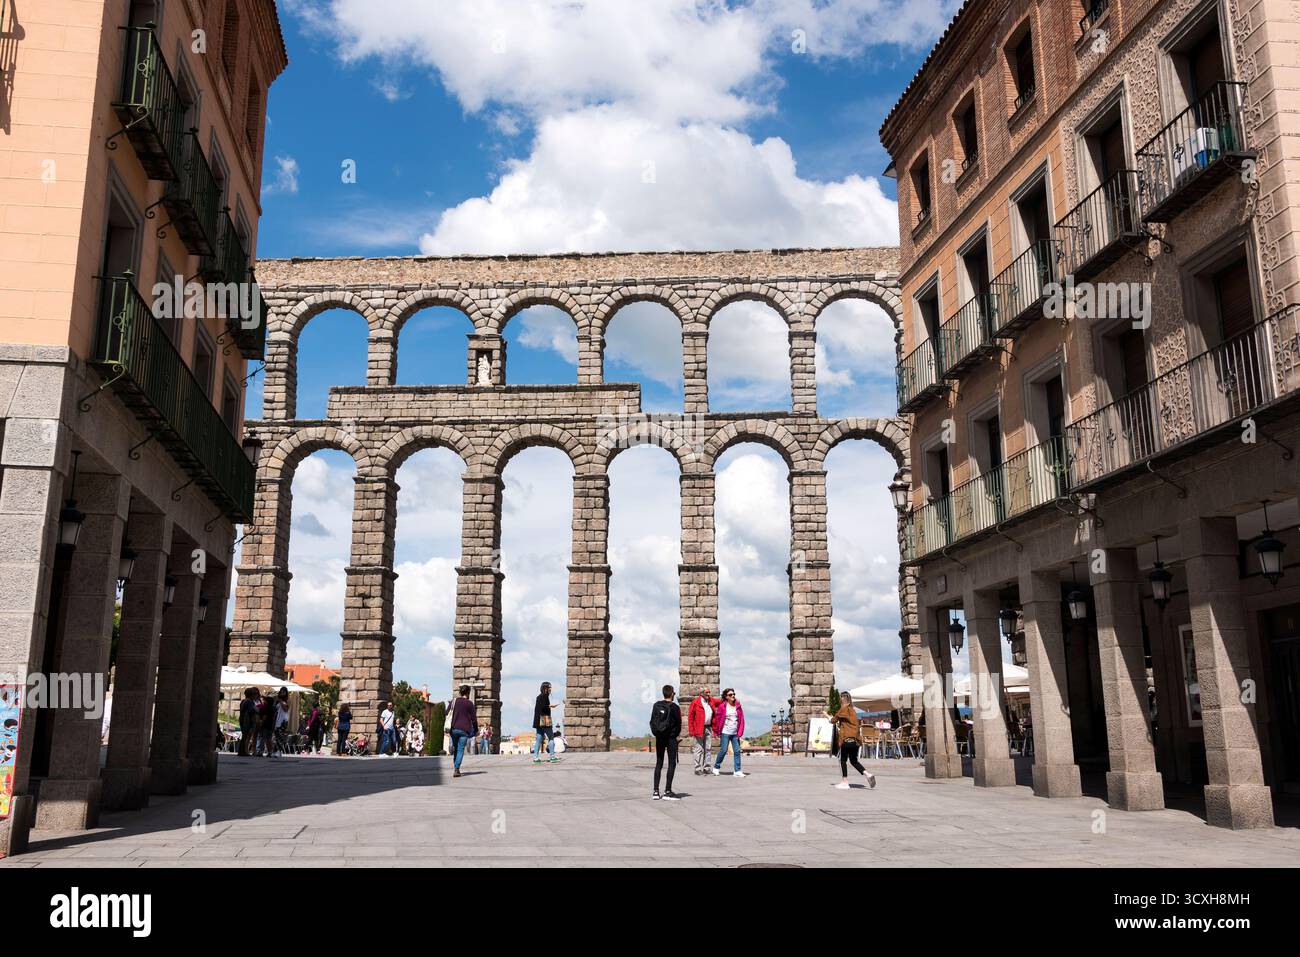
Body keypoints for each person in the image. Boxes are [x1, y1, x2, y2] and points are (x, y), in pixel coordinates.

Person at [828, 691, 876, 790]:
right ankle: (868, 774)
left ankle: (845, 782)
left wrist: (827, 716)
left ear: (843, 699)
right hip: (856, 740)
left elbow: (833, 720)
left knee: (842, 760)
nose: (840, 699)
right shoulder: (853, 711)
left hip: (846, 739)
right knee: (854, 761)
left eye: (841, 698)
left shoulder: (843, 709)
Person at [650, 685, 682, 801]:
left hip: (659, 738)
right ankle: (668, 791)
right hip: (671, 738)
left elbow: (652, 721)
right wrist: (676, 735)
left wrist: (657, 733)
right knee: (672, 763)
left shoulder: (656, 705)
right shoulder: (675, 708)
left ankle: (655, 791)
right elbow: (678, 724)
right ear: (672, 694)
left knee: (659, 762)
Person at [710, 688, 746, 777]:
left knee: (737, 751)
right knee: (723, 750)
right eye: (730, 695)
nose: (733, 696)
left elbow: (741, 720)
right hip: (725, 732)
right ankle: (716, 767)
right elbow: (718, 720)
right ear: (726, 697)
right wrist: (716, 732)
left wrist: (740, 732)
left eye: (733, 694)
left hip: (735, 733)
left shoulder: (738, 706)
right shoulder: (722, 706)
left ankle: (737, 771)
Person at [687, 686, 719, 775]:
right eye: (706, 692)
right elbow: (691, 717)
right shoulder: (695, 702)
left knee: (708, 748)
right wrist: (691, 730)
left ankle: (707, 767)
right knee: (698, 749)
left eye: (709, 692)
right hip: (699, 728)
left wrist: (728, 698)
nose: (708, 694)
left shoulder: (711, 700)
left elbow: (721, 702)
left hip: (708, 728)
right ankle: (697, 768)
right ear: (701, 694)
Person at [448, 685, 478, 777]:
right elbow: (473, 719)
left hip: (454, 728)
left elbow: (446, 713)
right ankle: (457, 769)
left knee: (456, 748)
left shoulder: (454, 701)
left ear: (460, 692)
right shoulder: (469, 703)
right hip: (464, 729)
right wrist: (476, 729)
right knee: (460, 749)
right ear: (468, 693)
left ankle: (455, 765)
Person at [532, 682, 562, 763]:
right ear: (546, 688)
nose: (550, 689)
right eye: (549, 687)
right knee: (551, 737)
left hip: (538, 721)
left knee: (538, 739)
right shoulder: (545, 696)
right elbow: (543, 707)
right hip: (545, 719)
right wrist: (550, 706)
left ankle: (535, 758)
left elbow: (538, 709)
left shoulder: (538, 697)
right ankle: (552, 756)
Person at [238, 688, 259, 756]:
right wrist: (257, 709)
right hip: (247, 721)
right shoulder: (250, 701)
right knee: (245, 736)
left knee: (244, 736)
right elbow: (252, 710)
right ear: (251, 695)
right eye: (254, 694)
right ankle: (242, 751)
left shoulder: (243, 701)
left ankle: (241, 751)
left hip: (242, 719)